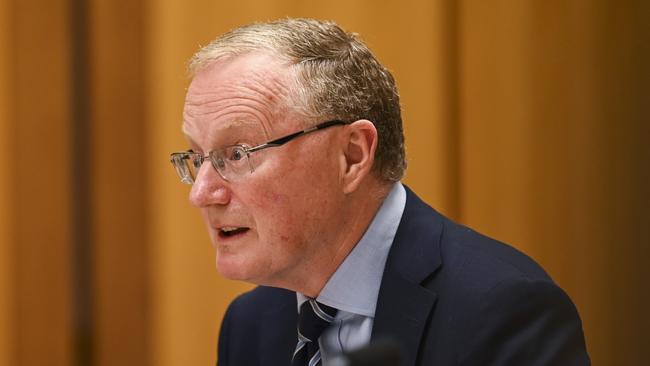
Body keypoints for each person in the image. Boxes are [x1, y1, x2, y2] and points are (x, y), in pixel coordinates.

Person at [170, 18, 590, 366]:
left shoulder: (503, 313)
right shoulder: (250, 325)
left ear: (352, 156)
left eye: (238, 154)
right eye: (196, 158)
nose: (203, 192)